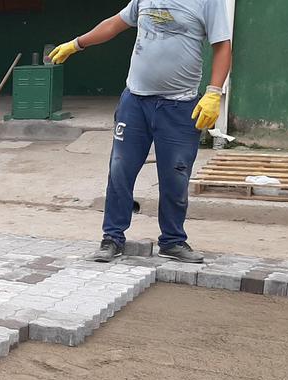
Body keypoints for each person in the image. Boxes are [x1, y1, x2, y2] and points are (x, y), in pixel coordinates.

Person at [49, 0, 232, 264]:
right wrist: (77, 43)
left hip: (179, 107)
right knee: (120, 169)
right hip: (135, 101)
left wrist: (214, 92)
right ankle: (112, 238)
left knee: (176, 174)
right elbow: (114, 24)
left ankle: (172, 240)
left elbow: (222, 46)